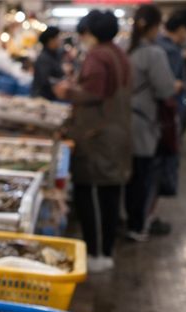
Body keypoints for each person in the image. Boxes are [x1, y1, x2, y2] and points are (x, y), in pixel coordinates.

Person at [53, 9, 131, 272]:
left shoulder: (98, 55)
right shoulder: (119, 53)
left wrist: (67, 90)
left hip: (96, 135)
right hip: (117, 132)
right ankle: (106, 251)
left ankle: (94, 253)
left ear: (91, 32)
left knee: (89, 191)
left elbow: (93, 92)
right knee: (111, 193)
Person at [146, 7, 186, 235]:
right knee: (156, 170)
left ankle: (144, 217)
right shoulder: (167, 51)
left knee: (152, 170)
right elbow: (164, 86)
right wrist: (176, 85)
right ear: (182, 28)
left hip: (156, 120)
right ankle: (146, 219)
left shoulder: (158, 46)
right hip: (163, 120)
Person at [124, 4, 177, 242]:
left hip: (122, 119)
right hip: (143, 123)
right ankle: (136, 226)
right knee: (141, 176)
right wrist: (177, 86)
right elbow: (165, 88)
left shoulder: (124, 48)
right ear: (155, 26)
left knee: (126, 175)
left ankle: (124, 219)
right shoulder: (154, 54)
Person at [32, 27, 66, 102]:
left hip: (52, 97)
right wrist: (62, 83)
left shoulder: (55, 55)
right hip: (43, 99)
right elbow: (45, 80)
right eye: (57, 37)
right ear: (51, 40)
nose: (60, 40)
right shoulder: (44, 58)